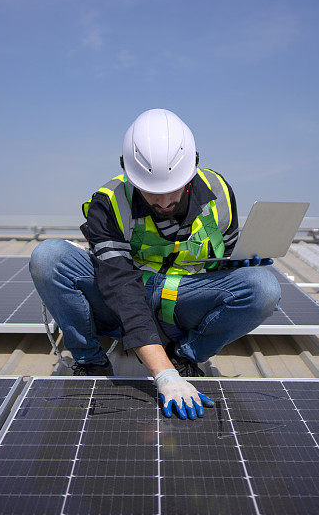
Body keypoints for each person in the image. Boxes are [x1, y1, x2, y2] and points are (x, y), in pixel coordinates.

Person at [30, 108, 281, 419]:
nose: (163, 202)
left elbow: (219, 265)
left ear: (192, 169)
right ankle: (90, 361)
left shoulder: (218, 193)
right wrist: (163, 376)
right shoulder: (110, 202)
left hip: (182, 300)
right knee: (49, 257)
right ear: (130, 172)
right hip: (121, 301)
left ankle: (186, 356)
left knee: (263, 287)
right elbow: (122, 289)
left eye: (171, 189)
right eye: (152, 192)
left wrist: (242, 263)